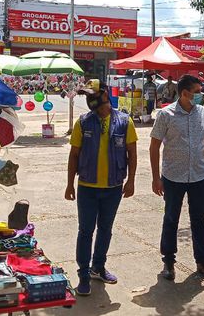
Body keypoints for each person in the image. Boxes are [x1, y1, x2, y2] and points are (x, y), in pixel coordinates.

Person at [66, 79, 138, 296]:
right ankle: (84, 275)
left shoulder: (125, 121)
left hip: (113, 188)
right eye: (87, 96)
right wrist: (69, 184)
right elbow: (74, 154)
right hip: (87, 187)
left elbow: (132, 154)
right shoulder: (83, 122)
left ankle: (98, 266)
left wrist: (131, 180)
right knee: (85, 231)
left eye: (93, 95)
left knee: (105, 229)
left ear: (105, 94)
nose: (89, 100)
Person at [150, 74, 204, 281]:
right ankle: (169, 263)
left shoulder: (201, 113)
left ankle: (202, 262)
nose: (201, 96)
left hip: (199, 175)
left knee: (199, 219)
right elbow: (154, 146)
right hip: (173, 177)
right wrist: (156, 178)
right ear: (184, 93)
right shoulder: (166, 115)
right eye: (198, 92)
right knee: (171, 218)